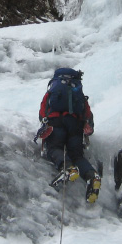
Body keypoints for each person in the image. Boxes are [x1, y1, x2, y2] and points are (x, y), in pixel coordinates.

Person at [37, 68, 100, 203]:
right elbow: (88, 114)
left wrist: (44, 123)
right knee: (77, 155)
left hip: (55, 124)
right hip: (75, 124)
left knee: (54, 148)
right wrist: (89, 127)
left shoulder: (52, 91)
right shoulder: (79, 94)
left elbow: (43, 111)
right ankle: (92, 176)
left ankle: (68, 169)